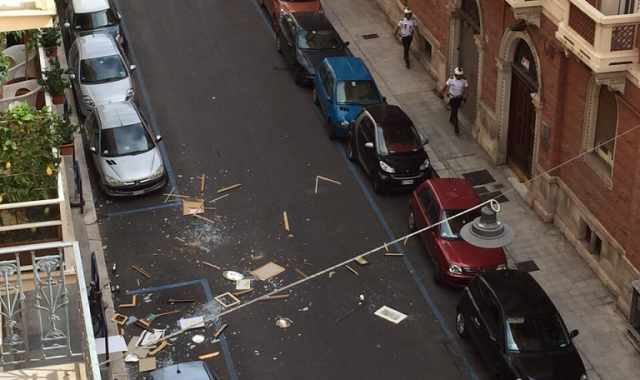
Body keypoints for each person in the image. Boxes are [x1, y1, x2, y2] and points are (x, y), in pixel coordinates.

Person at [441, 67, 468, 135]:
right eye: (458, 75)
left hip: (459, 98)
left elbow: (467, 90)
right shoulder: (451, 79)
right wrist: (441, 92)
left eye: (460, 75)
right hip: (452, 98)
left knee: (454, 110)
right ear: (455, 75)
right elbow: (445, 86)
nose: (459, 77)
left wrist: (465, 98)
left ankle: (451, 119)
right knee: (455, 112)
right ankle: (456, 128)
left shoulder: (464, 80)